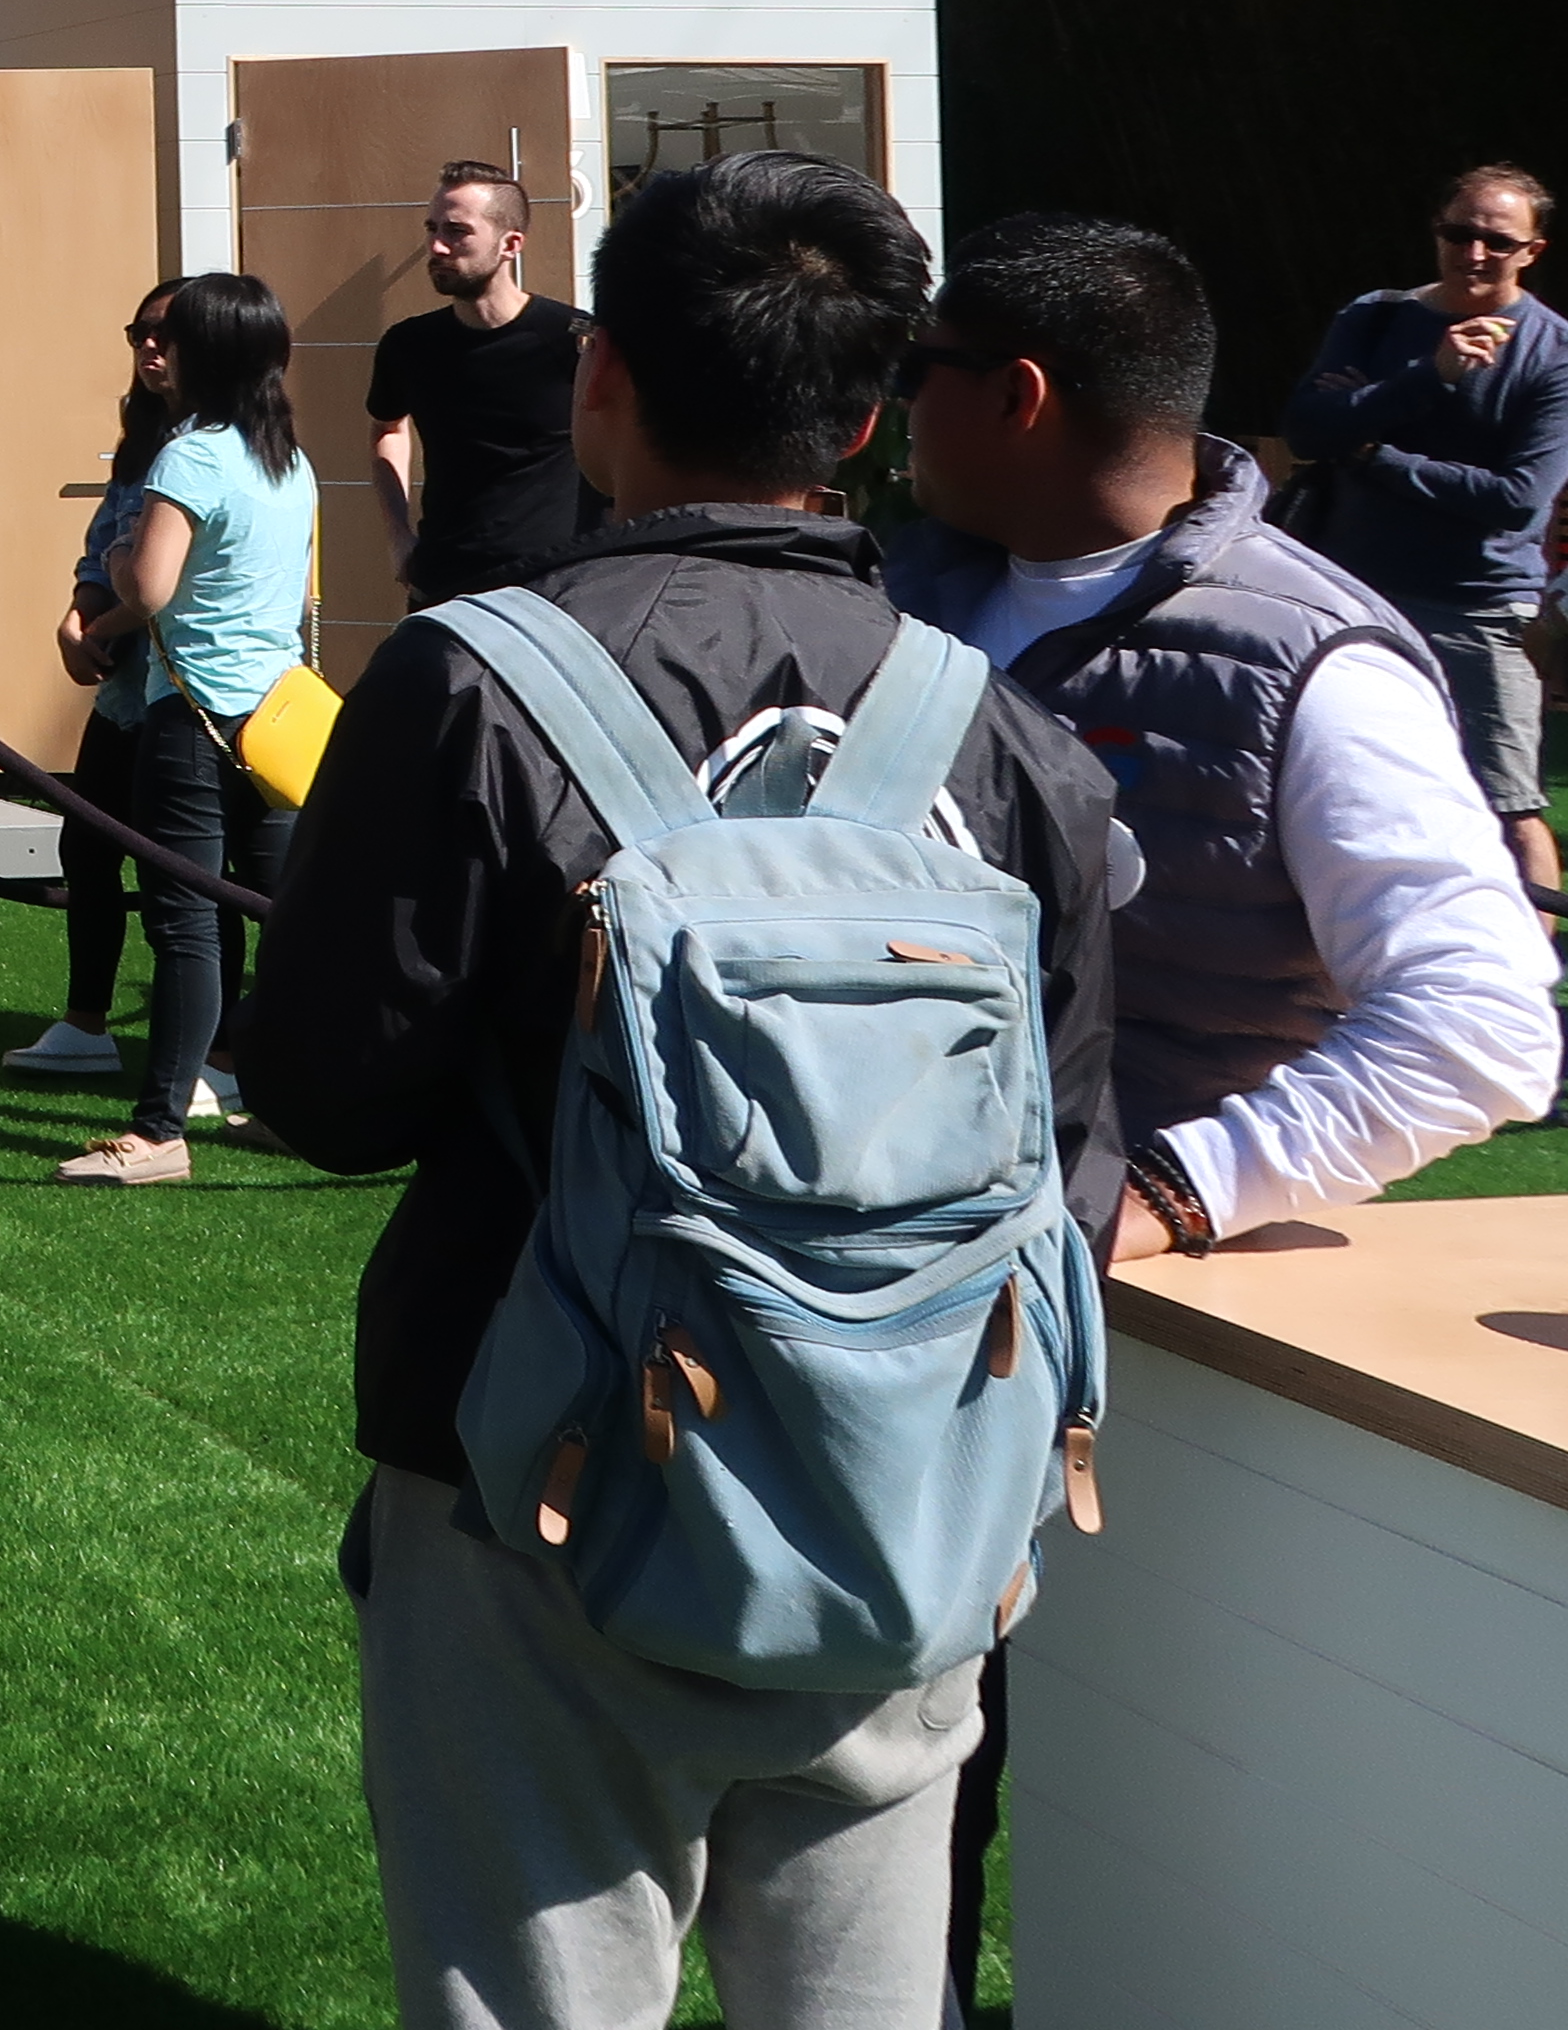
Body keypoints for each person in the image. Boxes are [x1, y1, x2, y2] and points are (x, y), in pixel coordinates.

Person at [236, 152, 1122, 2030]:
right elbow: (1074, 1147)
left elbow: (327, 1087)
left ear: (596, 377)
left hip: (531, 1489)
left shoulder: (466, 684)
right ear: (869, 418)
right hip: (909, 1505)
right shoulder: (994, 720)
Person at [888, 212, 1558, 2021]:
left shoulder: (1303, 650)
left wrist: (1177, 1189)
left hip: (1128, 1373)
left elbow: (1490, 1024)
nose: (891, 412)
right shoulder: (906, 589)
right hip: (877, 1320)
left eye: (920, 371)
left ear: (1015, 395)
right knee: (878, 1804)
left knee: (1134, 1815)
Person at [60, 274, 317, 1184]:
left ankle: (159, 1129)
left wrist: (124, 557)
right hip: (279, 717)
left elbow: (150, 588)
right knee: (281, 916)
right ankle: (289, 1104)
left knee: (187, 923)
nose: (156, 351)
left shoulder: (191, 456)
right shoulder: (288, 457)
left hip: (194, 715)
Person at [1284, 163, 1568, 919]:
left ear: (1532, 252)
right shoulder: (1375, 319)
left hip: (1474, 609)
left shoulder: (1551, 354)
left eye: (1497, 242)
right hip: (1347, 598)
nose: (1474, 253)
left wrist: (1376, 451)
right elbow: (1309, 431)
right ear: (1436, 230)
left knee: (1511, 809)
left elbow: (1515, 502)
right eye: (1459, 233)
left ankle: (1533, 999)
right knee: (1336, 787)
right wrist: (1427, 377)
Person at [9, 282, 187, 1083]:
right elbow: (104, 550)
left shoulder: (218, 445)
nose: (149, 349)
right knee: (87, 845)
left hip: (185, 694)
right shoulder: (144, 438)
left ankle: (209, 1051)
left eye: (167, 335)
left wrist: (104, 617)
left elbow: (157, 583)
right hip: (123, 690)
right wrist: (78, 616)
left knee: (179, 872)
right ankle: (87, 1023)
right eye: (138, 333)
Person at [367, 161, 597, 605]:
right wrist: (398, 536)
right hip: (445, 585)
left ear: (511, 244)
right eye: (432, 227)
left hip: (555, 589)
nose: (437, 245)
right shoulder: (409, 345)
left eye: (457, 231)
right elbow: (387, 429)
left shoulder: (576, 341)